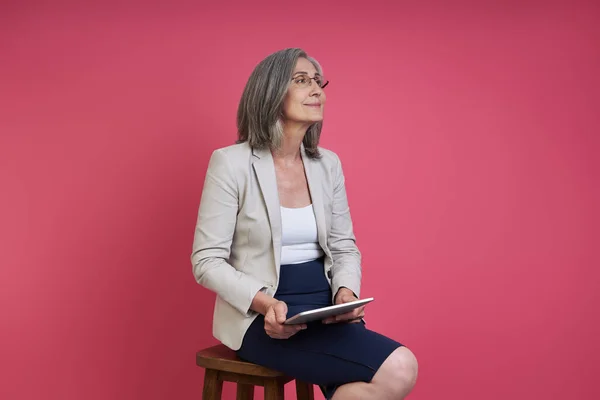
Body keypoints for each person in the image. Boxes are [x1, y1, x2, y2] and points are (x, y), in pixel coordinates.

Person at [191, 48, 418, 399]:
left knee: (398, 370)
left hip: (324, 310)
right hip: (261, 319)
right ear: (270, 93)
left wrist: (346, 293)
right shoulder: (231, 164)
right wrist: (266, 304)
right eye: (301, 81)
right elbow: (206, 261)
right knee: (398, 367)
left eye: (317, 81)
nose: (317, 90)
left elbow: (344, 246)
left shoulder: (327, 165)